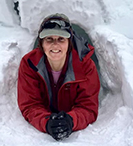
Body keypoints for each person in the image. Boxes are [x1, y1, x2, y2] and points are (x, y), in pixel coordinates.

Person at [17, 13, 100, 141]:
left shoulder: (85, 65)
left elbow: (88, 107)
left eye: (61, 39)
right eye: (49, 39)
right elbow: (30, 105)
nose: (55, 45)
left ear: (69, 42)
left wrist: (71, 120)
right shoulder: (29, 64)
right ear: (41, 43)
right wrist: (46, 122)